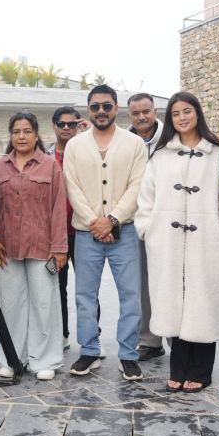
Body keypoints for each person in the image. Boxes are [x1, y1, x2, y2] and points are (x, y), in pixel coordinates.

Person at [135, 92, 219, 393]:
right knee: (172, 300)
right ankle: (178, 368)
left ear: (197, 113)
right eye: (176, 113)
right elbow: (146, 199)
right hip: (166, 241)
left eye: (187, 111)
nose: (182, 117)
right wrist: (148, 230)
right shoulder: (161, 156)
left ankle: (202, 370)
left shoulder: (217, 153)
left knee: (203, 300)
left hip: (206, 241)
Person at [63, 84, 147, 380]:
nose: (101, 111)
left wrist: (112, 219)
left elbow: (138, 186)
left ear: (116, 108)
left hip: (125, 231)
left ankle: (128, 354)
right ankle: (89, 350)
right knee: (85, 296)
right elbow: (72, 187)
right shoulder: (75, 146)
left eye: (107, 106)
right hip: (87, 233)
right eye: (95, 106)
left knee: (131, 296)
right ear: (88, 110)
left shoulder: (134, 144)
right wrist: (95, 222)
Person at [0, 112, 68, 380]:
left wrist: (59, 248)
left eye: (27, 131)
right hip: (8, 248)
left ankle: (45, 360)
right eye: (16, 131)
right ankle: (12, 357)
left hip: (43, 246)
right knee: (11, 305)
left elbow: (58, 208)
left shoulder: (50, 166)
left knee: (44, 304)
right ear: (10, 135)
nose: (21, 136)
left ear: (36, 134)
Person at [127, 93, 166, 362]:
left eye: (146, 111)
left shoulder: (171, 137)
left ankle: (177, 337)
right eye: (136, 113)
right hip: (135, 220)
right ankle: (149, 340)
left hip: (167, 220)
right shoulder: (124, 141)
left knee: (171, 281)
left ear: (155, 111)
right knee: (142, 283)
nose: (141, 117)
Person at [45, 107, 85, 350]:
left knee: (86, 288)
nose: (67, 128)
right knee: (56, 287)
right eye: (62, 124)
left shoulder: (87, 152)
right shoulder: (44, 156)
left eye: (72, 124)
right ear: (54, 125)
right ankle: (61, 335)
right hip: (55, 233)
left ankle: (92, 337)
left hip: (82, 231)